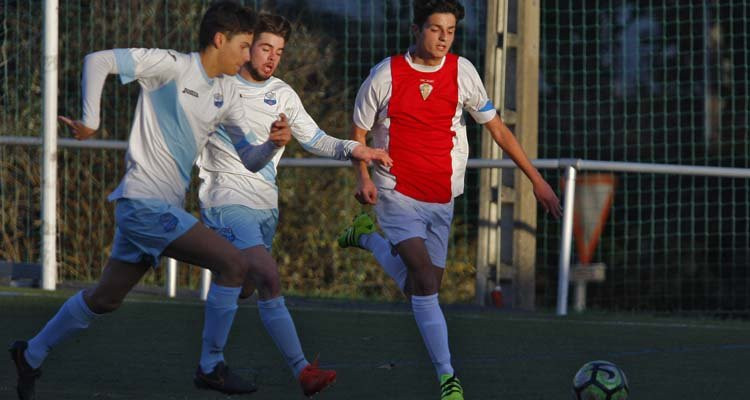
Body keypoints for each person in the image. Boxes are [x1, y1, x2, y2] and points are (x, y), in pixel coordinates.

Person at [8, 2, 288, 398]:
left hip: (156, 210)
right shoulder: (172, 66)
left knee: (105, 299)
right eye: (245, 46)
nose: (248, 56)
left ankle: (31, 354)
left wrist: (270, 146)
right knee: (234, 264)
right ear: (220, 39)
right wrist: (91, 120)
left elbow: (250, 160)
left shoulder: (226, 92)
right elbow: (98, 60)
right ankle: (212, 366)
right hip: (144, 204)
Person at [337, 1, 562, 399]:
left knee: (423, 288)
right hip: (395, 191)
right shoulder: (385, 74)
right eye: (436, 29)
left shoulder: (463, 72)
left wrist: (536, 180)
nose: (444, 38)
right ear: (416, 29)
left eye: (451, 30)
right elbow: (359, 131)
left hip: (442, 195)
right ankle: (448, 377)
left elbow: (499, 131)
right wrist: (364, 177)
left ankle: (367, 237)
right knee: (425, 281)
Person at [195, 13, 393, 397]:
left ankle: (208, 362)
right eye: (265, 48)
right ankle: (302, 371)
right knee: (268, 275)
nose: (272, 57)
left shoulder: (283, 94)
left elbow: (317, 138)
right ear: (247, 45)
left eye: (279, 52)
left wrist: (357, 149)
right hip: (225, 198)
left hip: (264, 206)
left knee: (243, 284)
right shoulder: (217, 87)